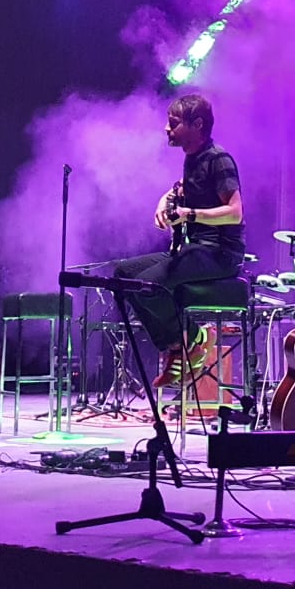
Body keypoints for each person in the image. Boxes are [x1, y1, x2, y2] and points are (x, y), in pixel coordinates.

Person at [109, 93, 246, 386]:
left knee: (152, 285)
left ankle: (196, 337)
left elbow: (235, 213)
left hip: (220, 253)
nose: (166, 129)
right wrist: (165, 200)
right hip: (194, 250)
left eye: (173, 123)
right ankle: (175, 347)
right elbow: (183, 187)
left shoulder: (218, 159)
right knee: (123, 275)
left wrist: (189, 214)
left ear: (196, 125)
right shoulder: (192, 159)